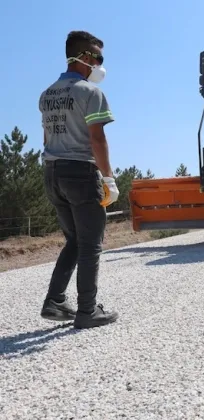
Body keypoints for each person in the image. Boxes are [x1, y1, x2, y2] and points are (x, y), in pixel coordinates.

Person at [38, 30, 120, 329]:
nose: (99, 64)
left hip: (51, 172)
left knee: (74, 240)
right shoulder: (90, 93)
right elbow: (97, 140)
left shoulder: (47, 94)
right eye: (98, 57)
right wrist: (108, 179)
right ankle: (88, 310)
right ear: (85, 57)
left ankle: (56, 301)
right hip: (80, 173)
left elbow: (46, 136)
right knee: (90, 243)